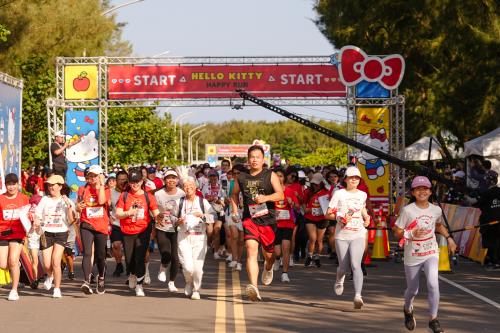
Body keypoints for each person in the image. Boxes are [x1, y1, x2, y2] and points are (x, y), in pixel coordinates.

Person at [393, 176, 457, 333]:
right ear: (413, 192)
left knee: (433, 284)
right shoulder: (408, 211)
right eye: (418, 189)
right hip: (413, 254)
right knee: (413, 290)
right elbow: (396, 233)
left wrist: (449, 238)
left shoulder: (436, 210)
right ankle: (408, 310)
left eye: (425, 189)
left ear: (430, 191)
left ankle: (433, 320)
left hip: (431, 251)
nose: (422, 192)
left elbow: (438, 225)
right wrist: (411, 232)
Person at [230, 145, 284, 301]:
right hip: (250, 219)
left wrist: (265, 198)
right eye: (252, 157)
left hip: (268, 219)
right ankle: (253, 286)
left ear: (263, 159)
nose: (254, 160)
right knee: (251, 249)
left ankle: (268, 268)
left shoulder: (270, 175)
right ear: (248, 159)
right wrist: (235, 211)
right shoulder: (240, 176)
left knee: (269, 255)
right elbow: (234, 195)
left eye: (257, 157)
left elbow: (280, 195)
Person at [326, 166, 370, 309]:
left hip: (358, 233)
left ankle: (358, 296)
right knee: (343, 267)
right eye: (351, 178)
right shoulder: (339, 194)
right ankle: (339, 279)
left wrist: (366, 216)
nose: (354, 180)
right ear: (345, 179)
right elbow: (328, 213)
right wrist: (340, 217)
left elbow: (362, 208)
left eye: (356, 178)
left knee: (356, 265)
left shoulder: (362, 194)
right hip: (342, 235)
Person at [115, 168, 160, 297]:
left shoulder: (148, 196)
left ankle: (139, 285)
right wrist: (128, 213)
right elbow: (118, 214)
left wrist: (160, 217)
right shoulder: (124, 196)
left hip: (143, 231)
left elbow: (156, 212)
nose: (134, 184)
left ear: (142, 181)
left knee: (140, 258)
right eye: (132, 182)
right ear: (128, 182)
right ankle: (132, 274)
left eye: (137, 181)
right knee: (129, 260)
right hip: (127, 231)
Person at [34, 175, 76, 298]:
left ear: (60, 186)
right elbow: (37, 214)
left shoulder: (66, 201)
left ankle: (57, 288)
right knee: (47, 264)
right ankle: (50, 275)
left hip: (61, 233)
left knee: (56, 261)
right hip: (47, 233)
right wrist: (36, 221)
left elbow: (71, 220)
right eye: (49, 185)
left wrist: (68, 208)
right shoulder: (45, 200)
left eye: (53, 185)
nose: (51, 187)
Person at [176, 177, 215, 300]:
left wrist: (203, 215)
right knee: (187, 267)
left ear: (195, 187)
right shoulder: (179, 202)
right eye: (186, 186)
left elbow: (213, 217)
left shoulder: (203, 202)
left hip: (199, 238)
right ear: (183, 188)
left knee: (198, 268)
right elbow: (172, 220)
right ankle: (188, 282)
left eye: (191, 185)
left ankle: (196, 289)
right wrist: (178, 221)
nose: (188, 188)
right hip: (184, 237)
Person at [76, 164, 111, 295]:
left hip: (101, 226)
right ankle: (86, 281)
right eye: (90, 175)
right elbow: (78, 206)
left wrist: (101, 185)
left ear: (100, 176)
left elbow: (101, 201)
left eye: (95, 175)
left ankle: (101, 277)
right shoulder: (82, 189)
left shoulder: (106, 189)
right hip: (87, 224)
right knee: (87, 253)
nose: (92, 178)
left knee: (101, 256)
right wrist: (78, 207)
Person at [0, 173, 30, 301]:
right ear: (5, 185)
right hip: (2, 233)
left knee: (12, 260)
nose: (11, 187)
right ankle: (16, 264)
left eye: (13, 184)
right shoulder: (1, 198)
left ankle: (14, 290)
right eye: (9, 184)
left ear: (18, 184)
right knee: (3, 264)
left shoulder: (24, 198)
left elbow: (28, 216)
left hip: (18, 234)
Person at [154, 169, 184, 292]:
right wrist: (156, 218)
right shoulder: (158, 194)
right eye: (168, 178)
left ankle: (171, 282)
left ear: (177, 180)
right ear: (164, 180)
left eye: (173, 178)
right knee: (166, 254)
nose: (171, 180)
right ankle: (163, 266)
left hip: (177, 228)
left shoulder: (182, 194)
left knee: (176, 257)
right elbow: (153, 209)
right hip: (162, 227)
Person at [273, 168, 299, 282]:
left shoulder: (289, 191)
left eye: (281, 176)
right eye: (276, 176)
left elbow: (298, 207)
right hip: (275, 224)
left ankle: (285, 273)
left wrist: (292, 202)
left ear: (284, 178)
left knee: (286, 248)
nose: (279, 178)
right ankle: (277, 259)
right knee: (278, 252)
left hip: (288, 223)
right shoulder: (270, 192)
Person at [303, 173, 330, 268]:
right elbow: (303, 203)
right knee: (312, 238)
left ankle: (317, 257)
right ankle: (309, 256)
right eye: (314, 183)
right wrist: (305, 209)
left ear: (322, 183)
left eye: (317, 183)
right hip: (310, 217)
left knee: (319, 240)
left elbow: (330, 205)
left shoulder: (327, 192)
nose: (315, 185)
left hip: (322, 218)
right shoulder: (308, 191)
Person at [476, 170, 500, 268]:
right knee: (498, 240)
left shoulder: (487, 193)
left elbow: (480, 205)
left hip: (488, 222)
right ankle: (495, 260)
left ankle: (492, 260)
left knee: (490, 241)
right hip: (497, 221)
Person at [110, 170, 128, 277]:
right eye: (120, 180)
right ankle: (119, 264)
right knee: (116, 245)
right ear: (116, 181)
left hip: (129, 224)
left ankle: (130, 267)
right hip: (116, 223)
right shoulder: (111, 192)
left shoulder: (131, 191)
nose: (122, 182)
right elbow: (106, 206)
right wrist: (109, 218)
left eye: (125, 179)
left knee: (128, 249)